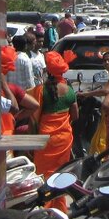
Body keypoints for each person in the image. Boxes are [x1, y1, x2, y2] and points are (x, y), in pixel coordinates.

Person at [33, 50, 79, 184]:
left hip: (45, 138)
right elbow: (75, 116)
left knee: (43, 173)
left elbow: (33, 118)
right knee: (60, 174)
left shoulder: (41, 90)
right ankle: (59, 203)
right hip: (64, 138)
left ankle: (45, 202)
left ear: (48, 70)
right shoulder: (70, 91)